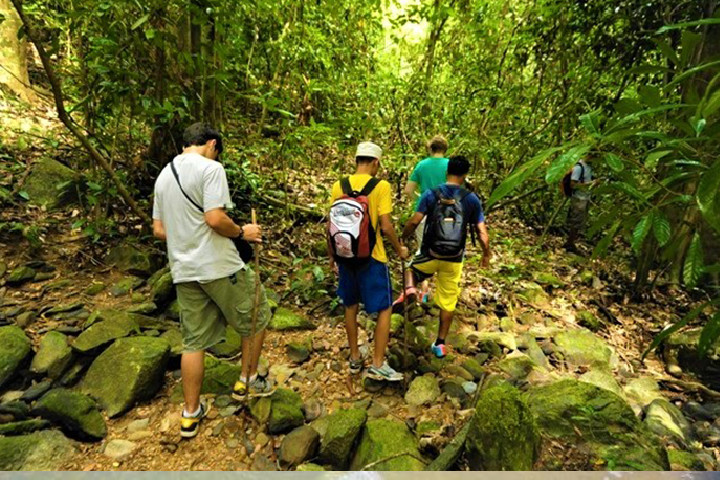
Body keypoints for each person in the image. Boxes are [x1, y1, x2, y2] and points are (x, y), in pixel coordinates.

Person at [152, 123, 271, 439]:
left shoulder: (164, 176)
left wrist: (188, 238)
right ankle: (247, 380)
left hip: (184, 270)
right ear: (212, 144)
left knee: (193, 342)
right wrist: (242, 232)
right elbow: (215, 218)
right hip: (219, 267)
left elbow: (160, 230)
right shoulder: (211, 168)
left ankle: (190, 415)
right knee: (257, 317)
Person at [328, 141, 409, 382]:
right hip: (373, 257)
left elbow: (330, 225)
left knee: (350, 305)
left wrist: (332, 257)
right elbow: (385, 225)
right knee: (384, 308)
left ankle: (354, 357)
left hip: (345, 255)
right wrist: (399, 248)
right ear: (375, 162)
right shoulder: (380, 186)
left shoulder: (338, 185)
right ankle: (377, 363)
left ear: (356, 161)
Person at [401, 156, 491, 358]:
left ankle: (410, 288)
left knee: (410, 269)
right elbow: (482, 232)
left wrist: (403, 239)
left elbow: (414, 222)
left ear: (447, 171)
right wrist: (486, 254)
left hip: (430, 253)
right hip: (454, 258)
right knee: (449, 301)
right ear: (465, 175)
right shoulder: (471, 199)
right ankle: (440, 343)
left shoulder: (431, 194)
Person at [401, 135, 450, 303]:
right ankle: (436, 293)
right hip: (447, 215)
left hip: (424, 214)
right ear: (445, 149)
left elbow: (408, 190)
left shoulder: (422, 165)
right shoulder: (450, 165)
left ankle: (420, 289)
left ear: (431, 148)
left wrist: (420, 200)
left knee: (423, 250)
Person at [565, 157, 594, 253]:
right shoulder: (579, 167)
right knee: (575, 222)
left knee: (579, 223)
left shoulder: (588, 167)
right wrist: (591, 183)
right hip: (579, 198)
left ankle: (571, 243)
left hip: (584, 198)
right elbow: (573, 184)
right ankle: (569, 244)